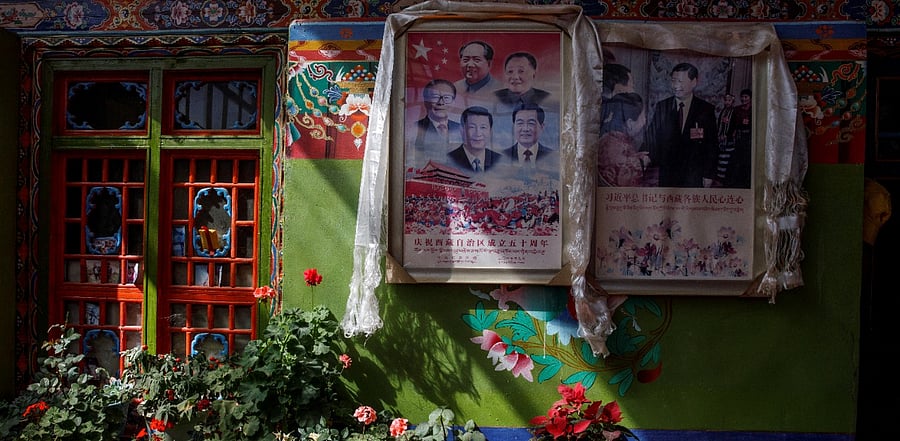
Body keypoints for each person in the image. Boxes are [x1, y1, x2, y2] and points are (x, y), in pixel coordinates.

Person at [643, 62, 719, 188]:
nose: (676, 86)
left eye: (681, 81)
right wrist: (644, 157)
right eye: (673, 81)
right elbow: (652, 137)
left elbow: (712, 146)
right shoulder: (663, 106)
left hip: (693, 174)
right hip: (668, 173)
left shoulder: (705, 110)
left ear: (694, 82)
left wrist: (709, 175)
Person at [493, 52, 557, 150]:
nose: (515, 77)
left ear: (534, 73)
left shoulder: (548, 98)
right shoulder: (494, 98)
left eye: (521, 71)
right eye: (510, 72)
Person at [598, 92, 650, 187]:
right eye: (642, 117)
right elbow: (624, 178)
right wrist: (642, 163)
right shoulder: (614, 145)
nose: (644, 122)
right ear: (630, 123)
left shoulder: (608, 139)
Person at [411, 79, 462, 159]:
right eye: (435, 97)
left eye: (447, 97)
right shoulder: (415, 128)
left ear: (453, 103)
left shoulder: (461, 128)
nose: (441, 102)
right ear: (426, 101)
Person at [446, 106, 503, 173]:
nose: (478, 134)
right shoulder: (450, 159)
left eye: (483, 127)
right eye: (472, 127)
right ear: (462, 130)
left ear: (490, 131)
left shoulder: (498, 160)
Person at [715, 88, 752, 188]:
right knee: (721, 158)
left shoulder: (734, 111)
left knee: (728, 160)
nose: (727, 102)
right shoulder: (727, 110)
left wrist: (728, 134)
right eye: (726, 100)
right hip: (725, 138)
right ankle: (720, 179)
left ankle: (724, 180)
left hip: (734, 138)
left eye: (729, 100)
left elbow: (734, 124)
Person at [453, 41, 503, 111]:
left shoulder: (501, 91)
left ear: (489, 64)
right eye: (466, 60)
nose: (470, 65)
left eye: (476, 60)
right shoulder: (454, 88)